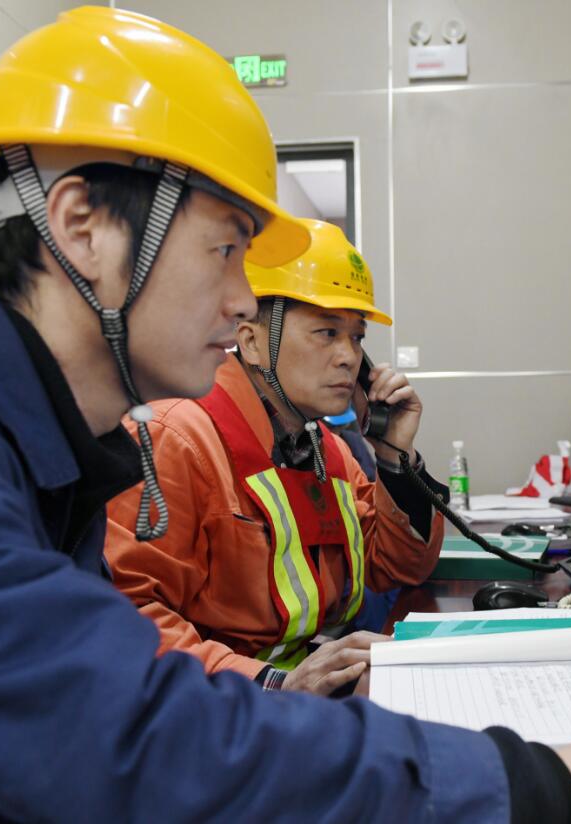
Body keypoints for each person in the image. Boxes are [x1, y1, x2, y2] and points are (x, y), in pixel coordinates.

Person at [0, 7, 571, 821]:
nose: (240, 301)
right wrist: (540, 782)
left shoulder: (42, 447)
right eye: (226, 249)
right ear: (82, 227)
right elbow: (135, 739)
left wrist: (396, 465)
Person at [105, 219, 445, 694]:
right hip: (217, 709)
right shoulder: (174, 438)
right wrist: (272, 684)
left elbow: (400, 566)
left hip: (301, 695)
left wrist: (394, 457)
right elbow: (124, 618)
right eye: (326, 332)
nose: (349, 357)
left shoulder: (326, 449)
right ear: (251, 343)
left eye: (357, 338)